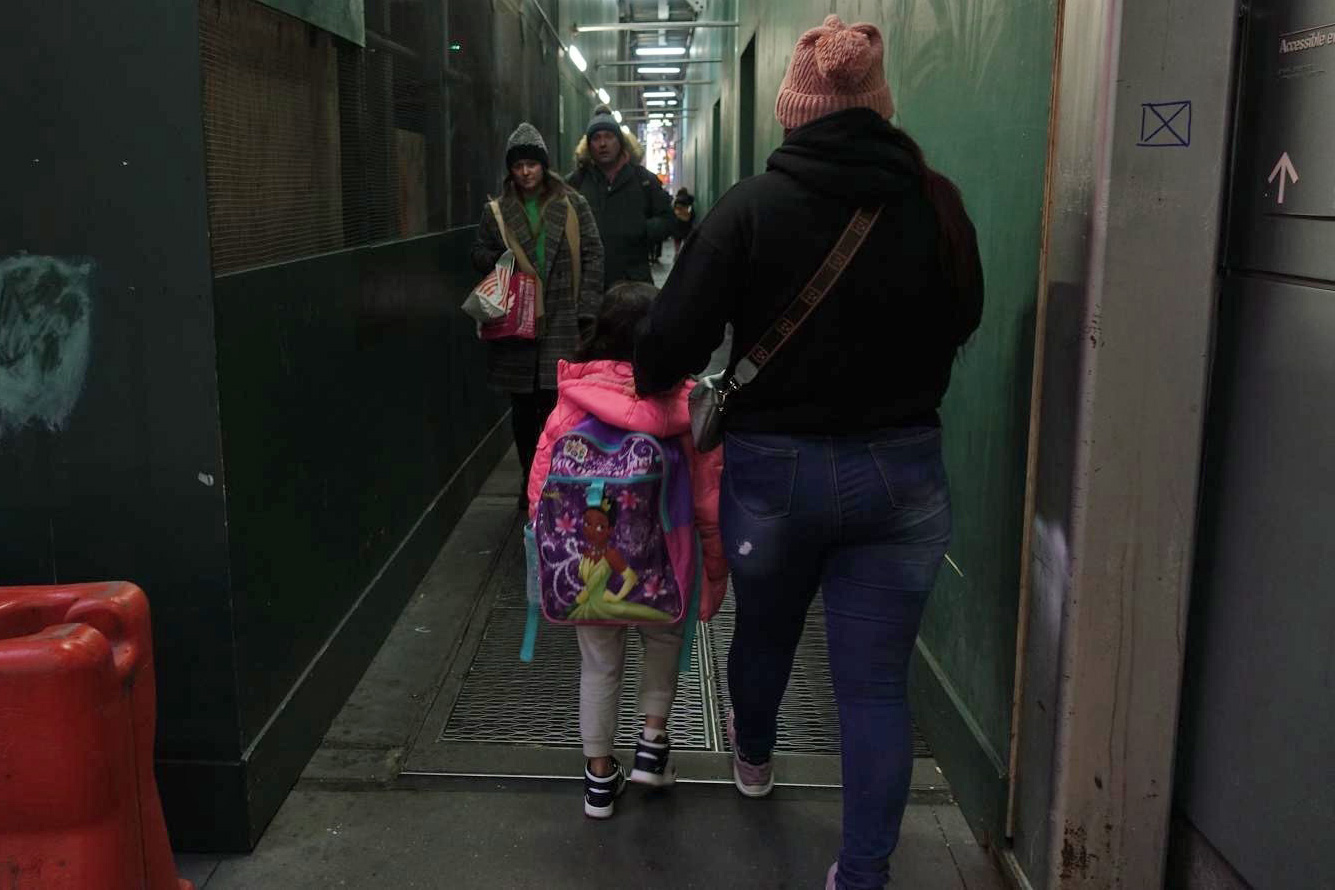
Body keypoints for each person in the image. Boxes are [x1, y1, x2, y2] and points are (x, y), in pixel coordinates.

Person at [633, 16, 983, 890]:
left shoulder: (750, 209)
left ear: (792, 114)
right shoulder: (936, 201)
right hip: (902, 472)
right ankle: (860, 875)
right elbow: (965, 314)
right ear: (878, 111)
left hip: (775, 472)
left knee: (767, 632)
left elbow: (668, 345)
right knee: (873, 688)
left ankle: (752, 755)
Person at [526, 281, 728, 819]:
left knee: (598, 665)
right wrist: (715, 570)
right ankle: (652, 746)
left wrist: (547, 556)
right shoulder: (686, 405)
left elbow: (539, 488)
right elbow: (709, 499)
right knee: (663, 645)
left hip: (591, 570)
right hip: (667, 558)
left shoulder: (572, 401)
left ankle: (598, 779)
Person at [470, 122, 604, 512]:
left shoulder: (573, 204)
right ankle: (532, 484)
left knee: (561, 408)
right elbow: (478, 254)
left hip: (564, 320)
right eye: (518, 165)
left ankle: (561, 482)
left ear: (544, 166)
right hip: (518, 325)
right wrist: (501, 259)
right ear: (510, 170)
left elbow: (594, 254)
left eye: (532, 164)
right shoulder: (496, 211)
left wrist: (588, 310)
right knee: (524, 413)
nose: (526, 172)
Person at [569, 108, 684, 285]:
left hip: (634, 283)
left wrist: (642, 229)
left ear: (620, 142)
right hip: (590, 286)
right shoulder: (576, 183)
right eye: (596, 138)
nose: (602, 144)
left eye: (609, 136)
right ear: (589, 145)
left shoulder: (643, 180)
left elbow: (669, 220)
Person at [671, 187, 695, 255]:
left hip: (678, 223)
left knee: (677, 240)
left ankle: (677, 253)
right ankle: (686, 253)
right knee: (686, 240)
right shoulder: (689, 202)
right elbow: (692, 213)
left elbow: (673, 213)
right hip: (687, 223)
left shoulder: (676, 201)